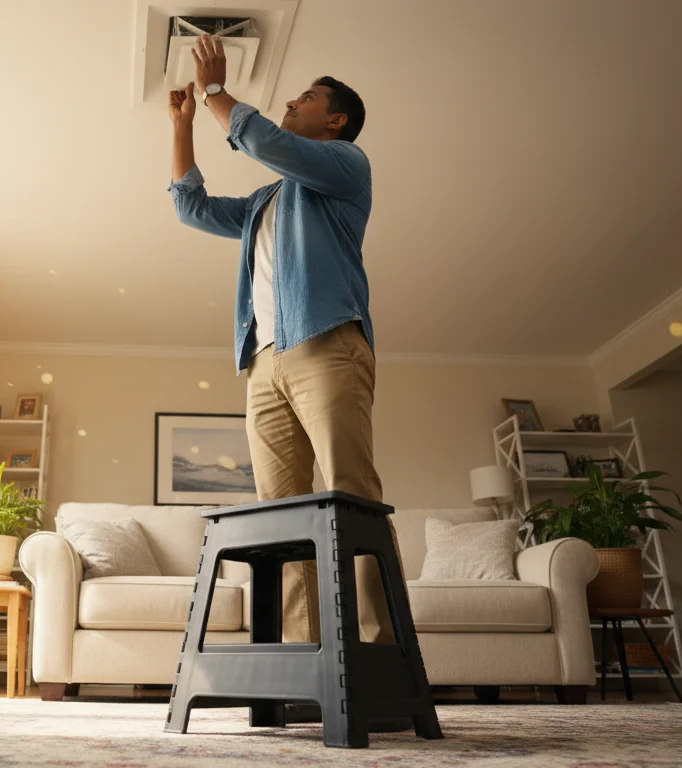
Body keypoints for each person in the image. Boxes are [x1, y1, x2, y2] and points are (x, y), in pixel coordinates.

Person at [166, 34, 394, 646]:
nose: (293, 101)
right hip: (264, 363)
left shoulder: (347, 165)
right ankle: (302, 657)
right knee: (283, 514)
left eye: (308, 97)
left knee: (350, 494)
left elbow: (264, 139)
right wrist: (184, 124)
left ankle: (379, 654)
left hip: (326, 344)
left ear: (336, 120)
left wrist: (216, 90)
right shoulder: (268, 198)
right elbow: (192, 208)